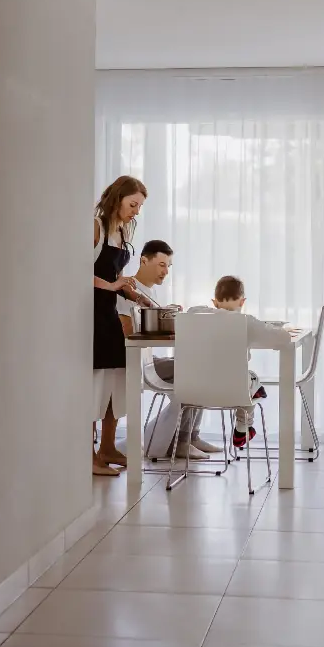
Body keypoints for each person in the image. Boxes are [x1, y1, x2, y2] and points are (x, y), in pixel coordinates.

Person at [117, 240, 221, 460]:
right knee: (197, 369)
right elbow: (127, 334)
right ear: (144, 260)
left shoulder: (151, 291)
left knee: (200, 368)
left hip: (148, 358)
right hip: (135, 362)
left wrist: (168, 314)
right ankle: (182, 441)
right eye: (161, 265)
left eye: (169, 267)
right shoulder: (128, 290)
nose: (165, 272)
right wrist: (163, 320)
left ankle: (190, 437)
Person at [189, 275, 292, 448]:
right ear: (242, 302)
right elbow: (283, 338)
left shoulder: (195, 315)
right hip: (234, 389)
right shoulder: (247, 322)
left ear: (214, 302)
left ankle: (253, 398)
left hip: (195, 388)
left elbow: (193, 309)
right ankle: (243, 426)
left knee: (247, 382)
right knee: (251, 379)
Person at [93, 175, 146, 476]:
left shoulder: (124, 230)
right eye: (132, 204)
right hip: (90, 313)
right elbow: (75, 272)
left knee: (115, 379)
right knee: (94, 382)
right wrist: (113, 285)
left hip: (109, 310)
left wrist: (130, 290)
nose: (136, 211)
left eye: (139, 206)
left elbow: (115, 276)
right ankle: (88, 456)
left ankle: (109, 447)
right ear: (117, 199)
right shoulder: (96, 226)